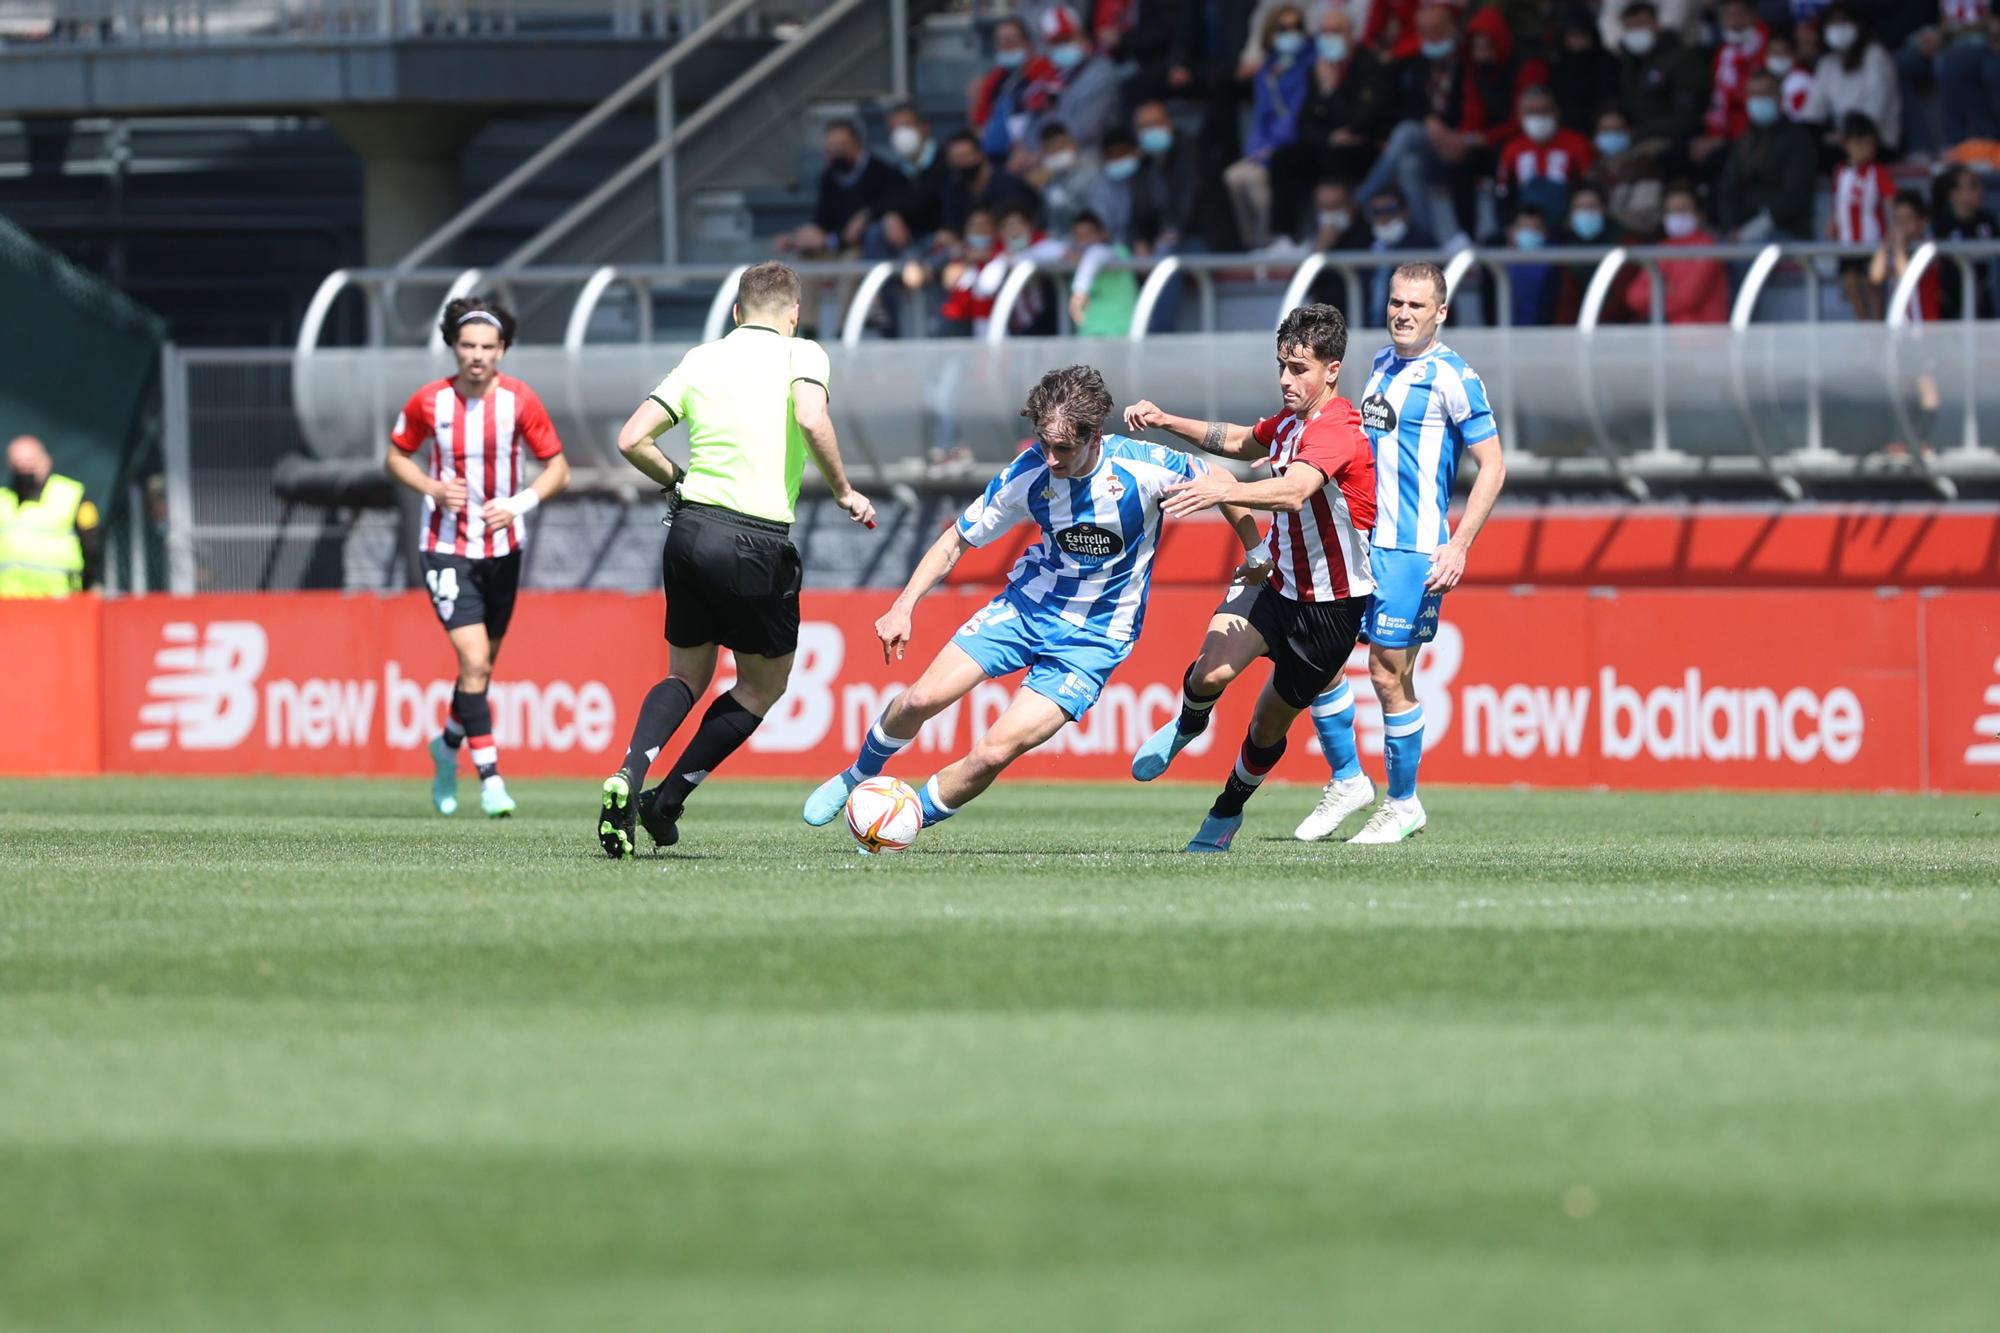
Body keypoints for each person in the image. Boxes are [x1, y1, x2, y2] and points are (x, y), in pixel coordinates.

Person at [799, 365, 1263, 835]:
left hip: (1096, 638)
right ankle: (856, 775)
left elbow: (1221, 479)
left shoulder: (1142, 467)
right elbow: (956, 541)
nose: (1051, 457)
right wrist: (904, 605)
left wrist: (1255, 550)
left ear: (1095, 436)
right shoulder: (1027, 474)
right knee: (921, 699)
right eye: (1044, 442)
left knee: (993, 752)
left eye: (1063, 447)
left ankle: (900, 825)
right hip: (1027, 608)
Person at [599, 262, 876, 858]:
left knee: (684, 675)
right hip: (755, 538)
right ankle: (666, 800)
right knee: (762, 684)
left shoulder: (702, 358)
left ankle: (628, 773)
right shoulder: (802, 354)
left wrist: (679, 480)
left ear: (735, 314)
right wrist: (844, 491)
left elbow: (631, 440)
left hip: (689, 529)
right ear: (793, 315)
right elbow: (809, 415)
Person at [1118, 304, 1377, 853]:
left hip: (1332, 608)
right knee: (1208, 675)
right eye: (1282, 366)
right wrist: (1169, 420)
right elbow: (1238, 440)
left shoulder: (1337, 429)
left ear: (1332, 369)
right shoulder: (1289, 423)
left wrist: (1224, 491)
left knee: (1265, 729)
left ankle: (1225, 813)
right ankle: (1189, 725)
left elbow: (1294, 491)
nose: (1287, 378)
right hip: (1274, 582)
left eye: (1300, 368)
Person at [1296, 264, 1506, 844]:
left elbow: (1494, 465)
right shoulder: (1380, 366)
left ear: (1440, 312)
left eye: (1416, 305)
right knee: (1319, 660)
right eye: (1395, 302)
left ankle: (1404, 802)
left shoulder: (1454, 376)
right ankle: (1346, 780)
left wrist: (1459, 543)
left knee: (1388, 675)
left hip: (1412, 548)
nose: (1403, 314)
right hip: (1357, 543)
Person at [386, 297, 570, 818]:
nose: (476, 356)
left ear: (502, 350)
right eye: (467, 345)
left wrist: (519, 503)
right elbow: (395, 455)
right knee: (472, 660)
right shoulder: (429, 402)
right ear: (452, 347)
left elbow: (558, 467)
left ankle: (445, 747)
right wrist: (431, 487)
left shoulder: (520, 401)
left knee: (481, 668)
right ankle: (490, 778)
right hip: (445, 547)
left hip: (504, 549)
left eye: (487, 347)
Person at [1267, 4, 1394, 242]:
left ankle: (1336, 231)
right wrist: (1326, 100)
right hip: (1326, 143)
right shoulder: (1317, 69)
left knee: (1337, 153)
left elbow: (1363, 120)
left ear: (1351, 35)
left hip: (1363, 148)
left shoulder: (1370, 67)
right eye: (1324, 33)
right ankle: (1283, 237)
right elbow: (1304, 123)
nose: (1329, 39)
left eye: (1335, 32)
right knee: (1284, 158)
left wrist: (1333, 92)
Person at [1222, 4, 1314, 249]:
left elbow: (1296, 112)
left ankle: (1272, 240)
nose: (1290, 33)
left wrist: (1273, 147)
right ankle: (1253, 243)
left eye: (1296, 27)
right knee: (1234, 176)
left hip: (1291, 143)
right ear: (1272, 33)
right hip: (1267, 146)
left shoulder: (1309, 65)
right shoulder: (1266, 70)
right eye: (1283, 28)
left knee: (1255, 180)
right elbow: (1261, 116)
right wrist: (1256, 152)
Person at [778, 119, 908, 258]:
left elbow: (891, 207)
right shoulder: (828, 178)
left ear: (857, 146)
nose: (835, 153)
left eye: (840, 146)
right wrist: (795, 239)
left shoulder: (883, 173)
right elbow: (823, 221)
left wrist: (866, 215)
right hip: (834, 246)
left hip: (865, 251)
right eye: (830, 148)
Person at [1719, 67, 1820, 239]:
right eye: (1754, 94)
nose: (1759, 100)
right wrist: (1731, 228)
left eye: (1766, 93)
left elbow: (1794, 197)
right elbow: (1729, 190)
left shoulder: (1798, 139)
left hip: (1785, 231)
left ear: (1780, 97)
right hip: (1742, 231)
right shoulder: (1743, 139)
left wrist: (1751, 231)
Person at [0, 434, 97, 597]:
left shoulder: (71, 495)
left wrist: (85, 587)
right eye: (18, 466)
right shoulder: (3, 500)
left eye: (30, 464)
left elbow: (93, 547)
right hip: (7, 604)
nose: (24, 472)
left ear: (46, 462)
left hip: (59, 601)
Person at [1613, 2, 1709, 166]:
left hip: (1674, 141)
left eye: (1642, 24)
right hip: (1639, 139)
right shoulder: (1628, 64)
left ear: (1657, 24)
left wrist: (1641, 132)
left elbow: (1688, 116)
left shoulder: (1681, 60)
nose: (1637, 31)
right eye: (1631, 27)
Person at [1624, 183, 1730, 323]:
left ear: (1699, 215)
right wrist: (1668, 290)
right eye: (1671, 211)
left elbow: (1687, 297)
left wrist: (1656, 291)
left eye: (1683, 209)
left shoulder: (1708, 248)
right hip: (1666, 335)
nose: (1676, 215)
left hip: (1704, 338)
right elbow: (1633, 297)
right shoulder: (1663, 248)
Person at [1803, 4, 1903, 152]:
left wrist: (1847, 135)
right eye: (1832, 23)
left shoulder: (1875, 56)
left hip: (1875, 140)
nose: (1837, 28)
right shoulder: (1827, 63)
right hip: (1841, 139)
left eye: (1843, 22)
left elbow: (1876, 110)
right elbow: (1812, 111)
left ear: (1858, 25)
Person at [1496, 84, 1597, 225]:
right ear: (1519, 115)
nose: (1538, 117)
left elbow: (1588, 186)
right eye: (1531, 112)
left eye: (1544, 111)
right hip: (1527, 223)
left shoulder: (1577, 143)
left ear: (1556, 112)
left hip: (1566, 221)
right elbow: (1503, 193)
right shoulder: (1511, 148)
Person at [1691, 0, 1770, 170]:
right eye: (1728, 15)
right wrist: (1714, 135)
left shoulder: (1769, 48)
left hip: (1760, 133)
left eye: (1739, 14)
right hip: (1730, 133)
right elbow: (1719, 100)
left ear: (1753, 16)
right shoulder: (1723, 52)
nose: (1734, 21)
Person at [1830, 112, 1895, 320]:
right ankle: (1862, 324)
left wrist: (1892, 231)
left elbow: (1890, 201)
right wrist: (1833, 223)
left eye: (1869, 145)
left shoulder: (1878, 172)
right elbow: (1840, 202)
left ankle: (1877, 326)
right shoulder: (1840, 172)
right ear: (1846, 145)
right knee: (1851, 285)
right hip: (1847, 242)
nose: (1864, 151)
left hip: (1871, 240)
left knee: (1872, 287)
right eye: (1858, 145)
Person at [970, 17, 1053, 163]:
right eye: (1002, 41)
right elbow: (979, 121)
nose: (1007, 45)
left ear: (1027, 42)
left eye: (1012, 40)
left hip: (1034, 153)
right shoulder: (994, 78)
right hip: (996, 158)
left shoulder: (1044, 70)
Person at [938, 131, 1041, 241]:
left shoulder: (1008, 184)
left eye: (966, 156)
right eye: (957, 158)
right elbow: (952, 228)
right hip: (970, 249)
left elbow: (1020, 226)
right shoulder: (954, 186)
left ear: (980, 154)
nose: (962, 163)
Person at [1934, 164, 1998, 319]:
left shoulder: (1988, 221)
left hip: (1983, 302)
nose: (1979, 191)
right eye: (1972, 186)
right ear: (1953, 194)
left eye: (1979, 185)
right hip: (1948, 304)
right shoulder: (1939, 226)